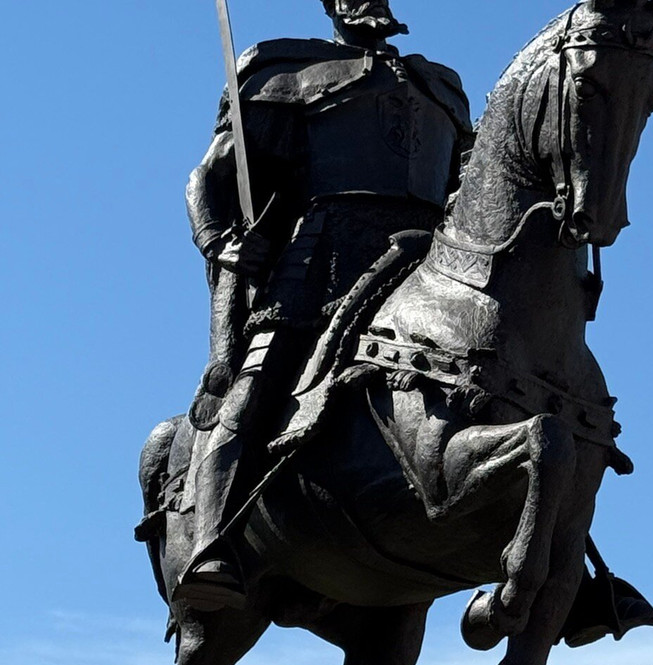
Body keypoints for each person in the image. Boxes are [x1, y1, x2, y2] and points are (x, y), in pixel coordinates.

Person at [177, 0, 473, 610]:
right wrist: (222, 242)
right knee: (260, 381)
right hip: (324, 259)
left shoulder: (442, 87)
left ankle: (570, 566)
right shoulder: (284, 71)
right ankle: (211, 545)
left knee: (513, 365)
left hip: (426, 262)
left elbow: (468, 187)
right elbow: (209, 179)